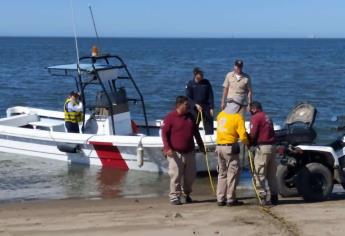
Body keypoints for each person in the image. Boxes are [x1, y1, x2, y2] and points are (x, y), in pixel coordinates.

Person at [161, 96, 205, 205]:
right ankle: (174, 196)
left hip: (190, 151)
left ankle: (186, 194)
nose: (188, 106)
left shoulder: (190, 116)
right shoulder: (170, 117)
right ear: (179, 105)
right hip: (176, 153)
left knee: (190, 176)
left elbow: (196, 133)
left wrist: (201, 146)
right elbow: (164, 134)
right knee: (175, 176)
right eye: (186, 104)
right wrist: (167, 148)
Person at [216, 98, 248, 206]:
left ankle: (220, 198)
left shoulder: (220, 115)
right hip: (230, 148)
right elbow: (243, 135)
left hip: (219, 147)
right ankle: (230, 198)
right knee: (232, 173)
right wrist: (247, 142)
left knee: (222, 173)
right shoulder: (237, 117)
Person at [249, 101, 278, 205]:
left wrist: (249, 142)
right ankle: (274, 196)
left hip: (263, 148)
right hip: (272, 147)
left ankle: (262, 197)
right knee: (271, 174)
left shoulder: (256, 117)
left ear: (254, 109)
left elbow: (253, 133)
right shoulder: (267, 117)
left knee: (260, 172)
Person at [185, 67, 215, 134]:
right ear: (195, 75)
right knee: (193, 126)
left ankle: (209, 136)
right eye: (200, 75)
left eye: (202, 75)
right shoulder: (190, 84)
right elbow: (188, 98)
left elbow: (210, 96)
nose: (201, 76)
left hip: (206, 107)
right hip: (195, 108)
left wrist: (212, 107)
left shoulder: (206, 82)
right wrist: (195, 105)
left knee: (209, 124)